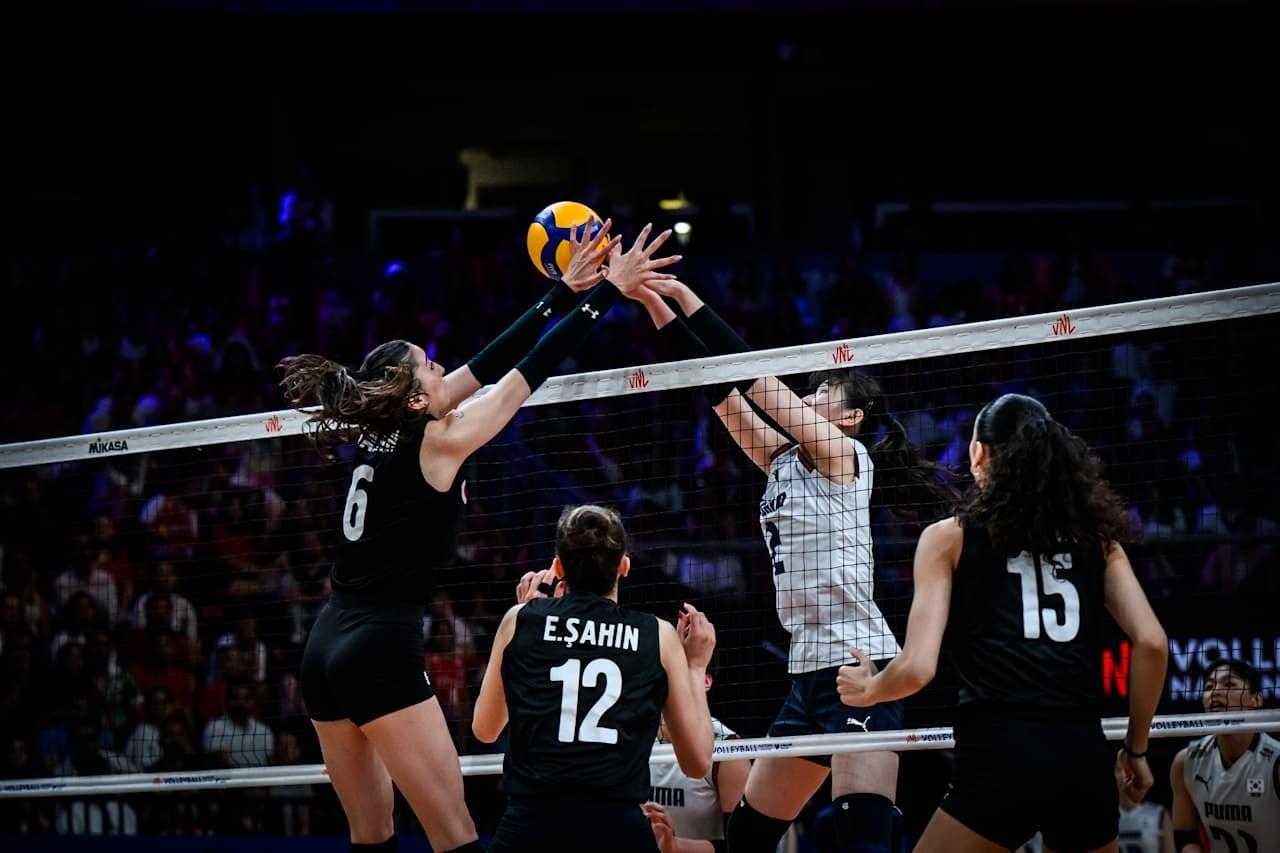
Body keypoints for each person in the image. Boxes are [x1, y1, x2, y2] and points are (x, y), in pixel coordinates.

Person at [285, 221, 678, 853]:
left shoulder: (379, 428)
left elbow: (486, 363)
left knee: (371, 834)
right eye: (431, 366)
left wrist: (563, 292)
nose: (444, 368)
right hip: (378, 646)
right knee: (458, 836)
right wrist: (609, 293)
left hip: (325, 643)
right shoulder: (440, 439)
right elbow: (527, 372)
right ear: (415, 397)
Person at [626, 280, 955, 853]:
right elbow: (717, 384)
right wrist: (653, 301)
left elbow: (753, 374)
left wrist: (684, 291)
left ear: (851, 417)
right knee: (749, 837)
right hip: (806, 674)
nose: (813, 393)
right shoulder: (781, 460)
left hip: (861, 666)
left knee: (863, 842)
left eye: (826, 390)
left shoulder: (844, 456)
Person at [836, 393, 1169, 853]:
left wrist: (871, 689)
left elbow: (917, 669)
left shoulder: (949, 537)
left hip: (1001, 756)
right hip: (1082, 757)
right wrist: (1135, 748)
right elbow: (1152, 643)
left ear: (978, 454)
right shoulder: (1098, 541)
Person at [473, 505, 716, 853]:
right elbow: (697, 763)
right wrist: (695, 668)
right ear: (624, 566)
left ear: (558, 567)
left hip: (530, 827)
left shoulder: (519, 620)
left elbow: (485, 729)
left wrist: (530, 617)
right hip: (617, 829)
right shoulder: (658, 635)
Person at [643, 651, 751, 853]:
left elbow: (742, 847)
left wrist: (675, 847)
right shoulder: (636, 736)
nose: (675, 679)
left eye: (683, 670)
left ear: (706, 681)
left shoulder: (729, 752)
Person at [1170, 659, 1278, 853]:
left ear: (1256, 699)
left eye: (1228, 684)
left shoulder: (1276, 763)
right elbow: (1185, 835)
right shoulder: (1185, 762)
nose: (1215, 692)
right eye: (1209, 687)